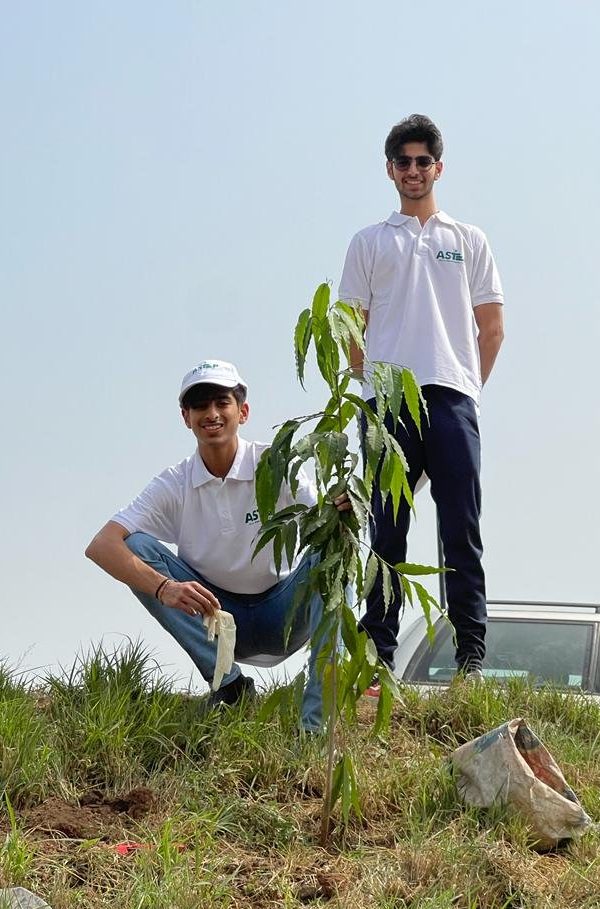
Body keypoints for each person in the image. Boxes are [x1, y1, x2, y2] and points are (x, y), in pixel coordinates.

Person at [338, 114, 504, 685]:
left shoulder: (468, 240)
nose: (413, 171)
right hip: (388, 406)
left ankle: (471, 657)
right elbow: (349, 329)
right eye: (403, 162)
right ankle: (378, 653)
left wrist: (466, 386)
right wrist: (373, 384)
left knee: (461, 526)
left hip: (454, 398)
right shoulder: (369, 242)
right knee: (387, 525)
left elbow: (493, 328)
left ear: (439, 166)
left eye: (423, 161)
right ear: (390, 169)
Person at [85, 359, 330, 731]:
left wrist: (341, 508)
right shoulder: (175, 483)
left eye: (221, 402)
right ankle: (230, 688)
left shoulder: (275, 465)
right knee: (135, 545)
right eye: (200, 405)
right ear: (186, 417)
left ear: (242, 411)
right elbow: (101, 545)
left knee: (332, 548)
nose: (211, 413)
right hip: (216, 620)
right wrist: (164, 587)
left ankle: (315, 724)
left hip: (283, 612)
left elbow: (323, 525)